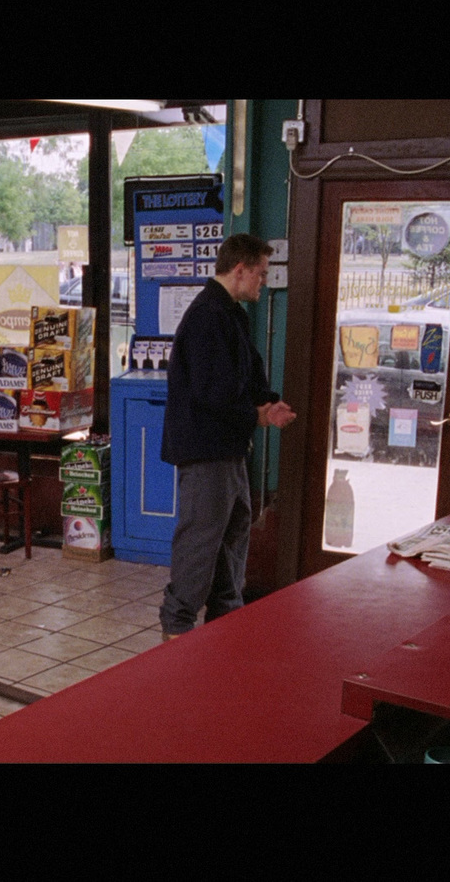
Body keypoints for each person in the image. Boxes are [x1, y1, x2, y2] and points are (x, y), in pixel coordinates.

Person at [159, 233, 296, 639]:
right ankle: (177, 629)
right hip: (205, 451)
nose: (264, 282)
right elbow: (209, 393)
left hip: (230, 447)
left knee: (232, 540)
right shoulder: (206, 317)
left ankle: (225, 627)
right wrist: (258, 415)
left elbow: (248, 375)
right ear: (239, 271)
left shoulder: (232, 312)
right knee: (201, 543)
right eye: (260, 274)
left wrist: (269, 403)